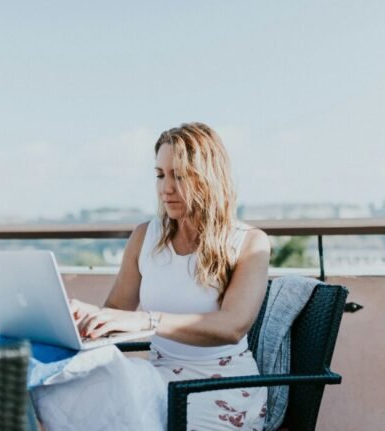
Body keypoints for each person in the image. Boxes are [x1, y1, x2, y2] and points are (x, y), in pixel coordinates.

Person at [34, 122, 269, 430]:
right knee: (65, 394)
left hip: (220, 389)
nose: (165, 189)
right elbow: (118, 311)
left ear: (209, 178)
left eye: (180, 176)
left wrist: (148, 321)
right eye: (160, 175)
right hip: (157, 380)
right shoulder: (145, 236)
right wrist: (88, 318)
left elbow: (233, 326)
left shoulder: (249, 242)